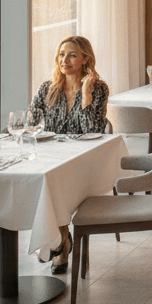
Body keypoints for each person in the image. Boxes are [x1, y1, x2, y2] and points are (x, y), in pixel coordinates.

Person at [29, 36, 111, 273]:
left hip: (83, 160)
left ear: (85, 59)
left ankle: (58, 243)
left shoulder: (99, 89)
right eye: (62, 54)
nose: (64, 60)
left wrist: (85, 95)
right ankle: (61, 241)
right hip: (51, 156)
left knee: (57, 182)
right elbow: (30, 124)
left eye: (72, 55)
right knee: (44, 179)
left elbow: (93, 131)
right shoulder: (47, 88)